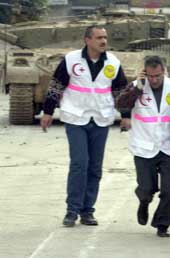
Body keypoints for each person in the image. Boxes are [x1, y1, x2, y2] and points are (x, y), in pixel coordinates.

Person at [40, 25, 128, 227]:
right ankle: (72, 210)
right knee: (80, 163)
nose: (103, 41)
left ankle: (87, 211)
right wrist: (47, 112)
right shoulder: (71, 59)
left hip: (100, 118)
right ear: (87, 40)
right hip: (75, 117)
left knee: (95, 167)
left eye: (105, 37)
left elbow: (120, 91)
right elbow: (56, 86)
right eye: (99, 38)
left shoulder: (113, 62)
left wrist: (125, 115)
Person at [116, 56, 170, 237]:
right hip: (144, 145)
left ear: (164, 71)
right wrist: (138, 86)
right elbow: (120, 103)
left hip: (168, 146)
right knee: (146, 188)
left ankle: (162, 223)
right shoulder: (137, 87)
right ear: (145, 72)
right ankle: (144, 203)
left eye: (158, 76)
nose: (154, 80)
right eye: (151, 76)